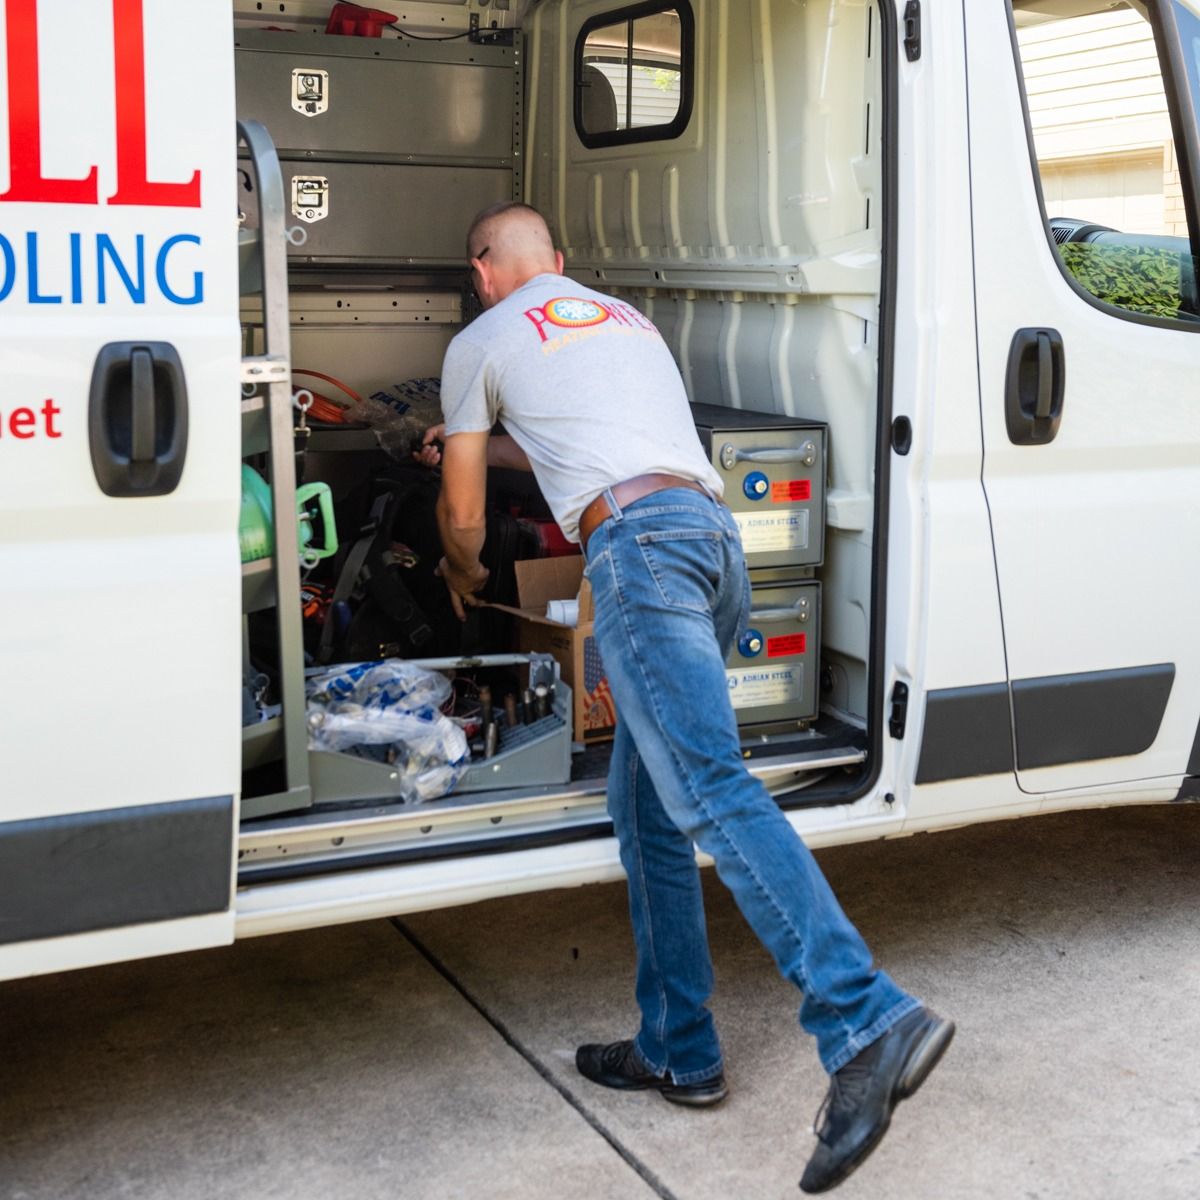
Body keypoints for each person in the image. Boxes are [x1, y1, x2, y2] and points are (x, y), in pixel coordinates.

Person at [419, 201, 953, 1194]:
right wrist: (475, 440)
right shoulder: (622, 322)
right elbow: (573, 437)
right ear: (560, 265)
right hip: (710, 543)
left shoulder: (482, 337)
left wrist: (461, 576)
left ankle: (865, 1018)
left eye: (475, 273)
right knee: (649, 809)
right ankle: (680, 1047)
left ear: (484, 269)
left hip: (638, 560)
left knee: (709, 790)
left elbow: (462, 515)